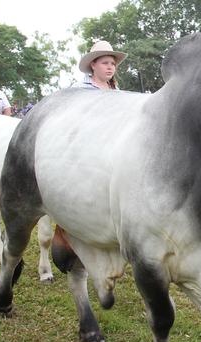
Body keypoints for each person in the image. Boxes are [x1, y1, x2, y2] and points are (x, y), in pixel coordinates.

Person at [52, 40, 127, 251]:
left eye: (112, 63)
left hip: (111, 149)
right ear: (93, 65)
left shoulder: (118, 92)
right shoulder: (78, 90)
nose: (110, 67)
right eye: (105, 62)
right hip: (84, 150)